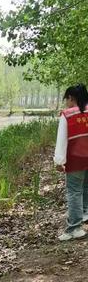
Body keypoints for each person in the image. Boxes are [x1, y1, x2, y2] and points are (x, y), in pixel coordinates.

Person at [54, 83, 88, 241]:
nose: (66, 102)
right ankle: (84, 213)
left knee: (74, 191)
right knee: (86, 188)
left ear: (71, 98)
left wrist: (59, 160)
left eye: (66, 99)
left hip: (76, 159)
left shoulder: (67, 115)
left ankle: (75, 228)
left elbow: (62, 140)